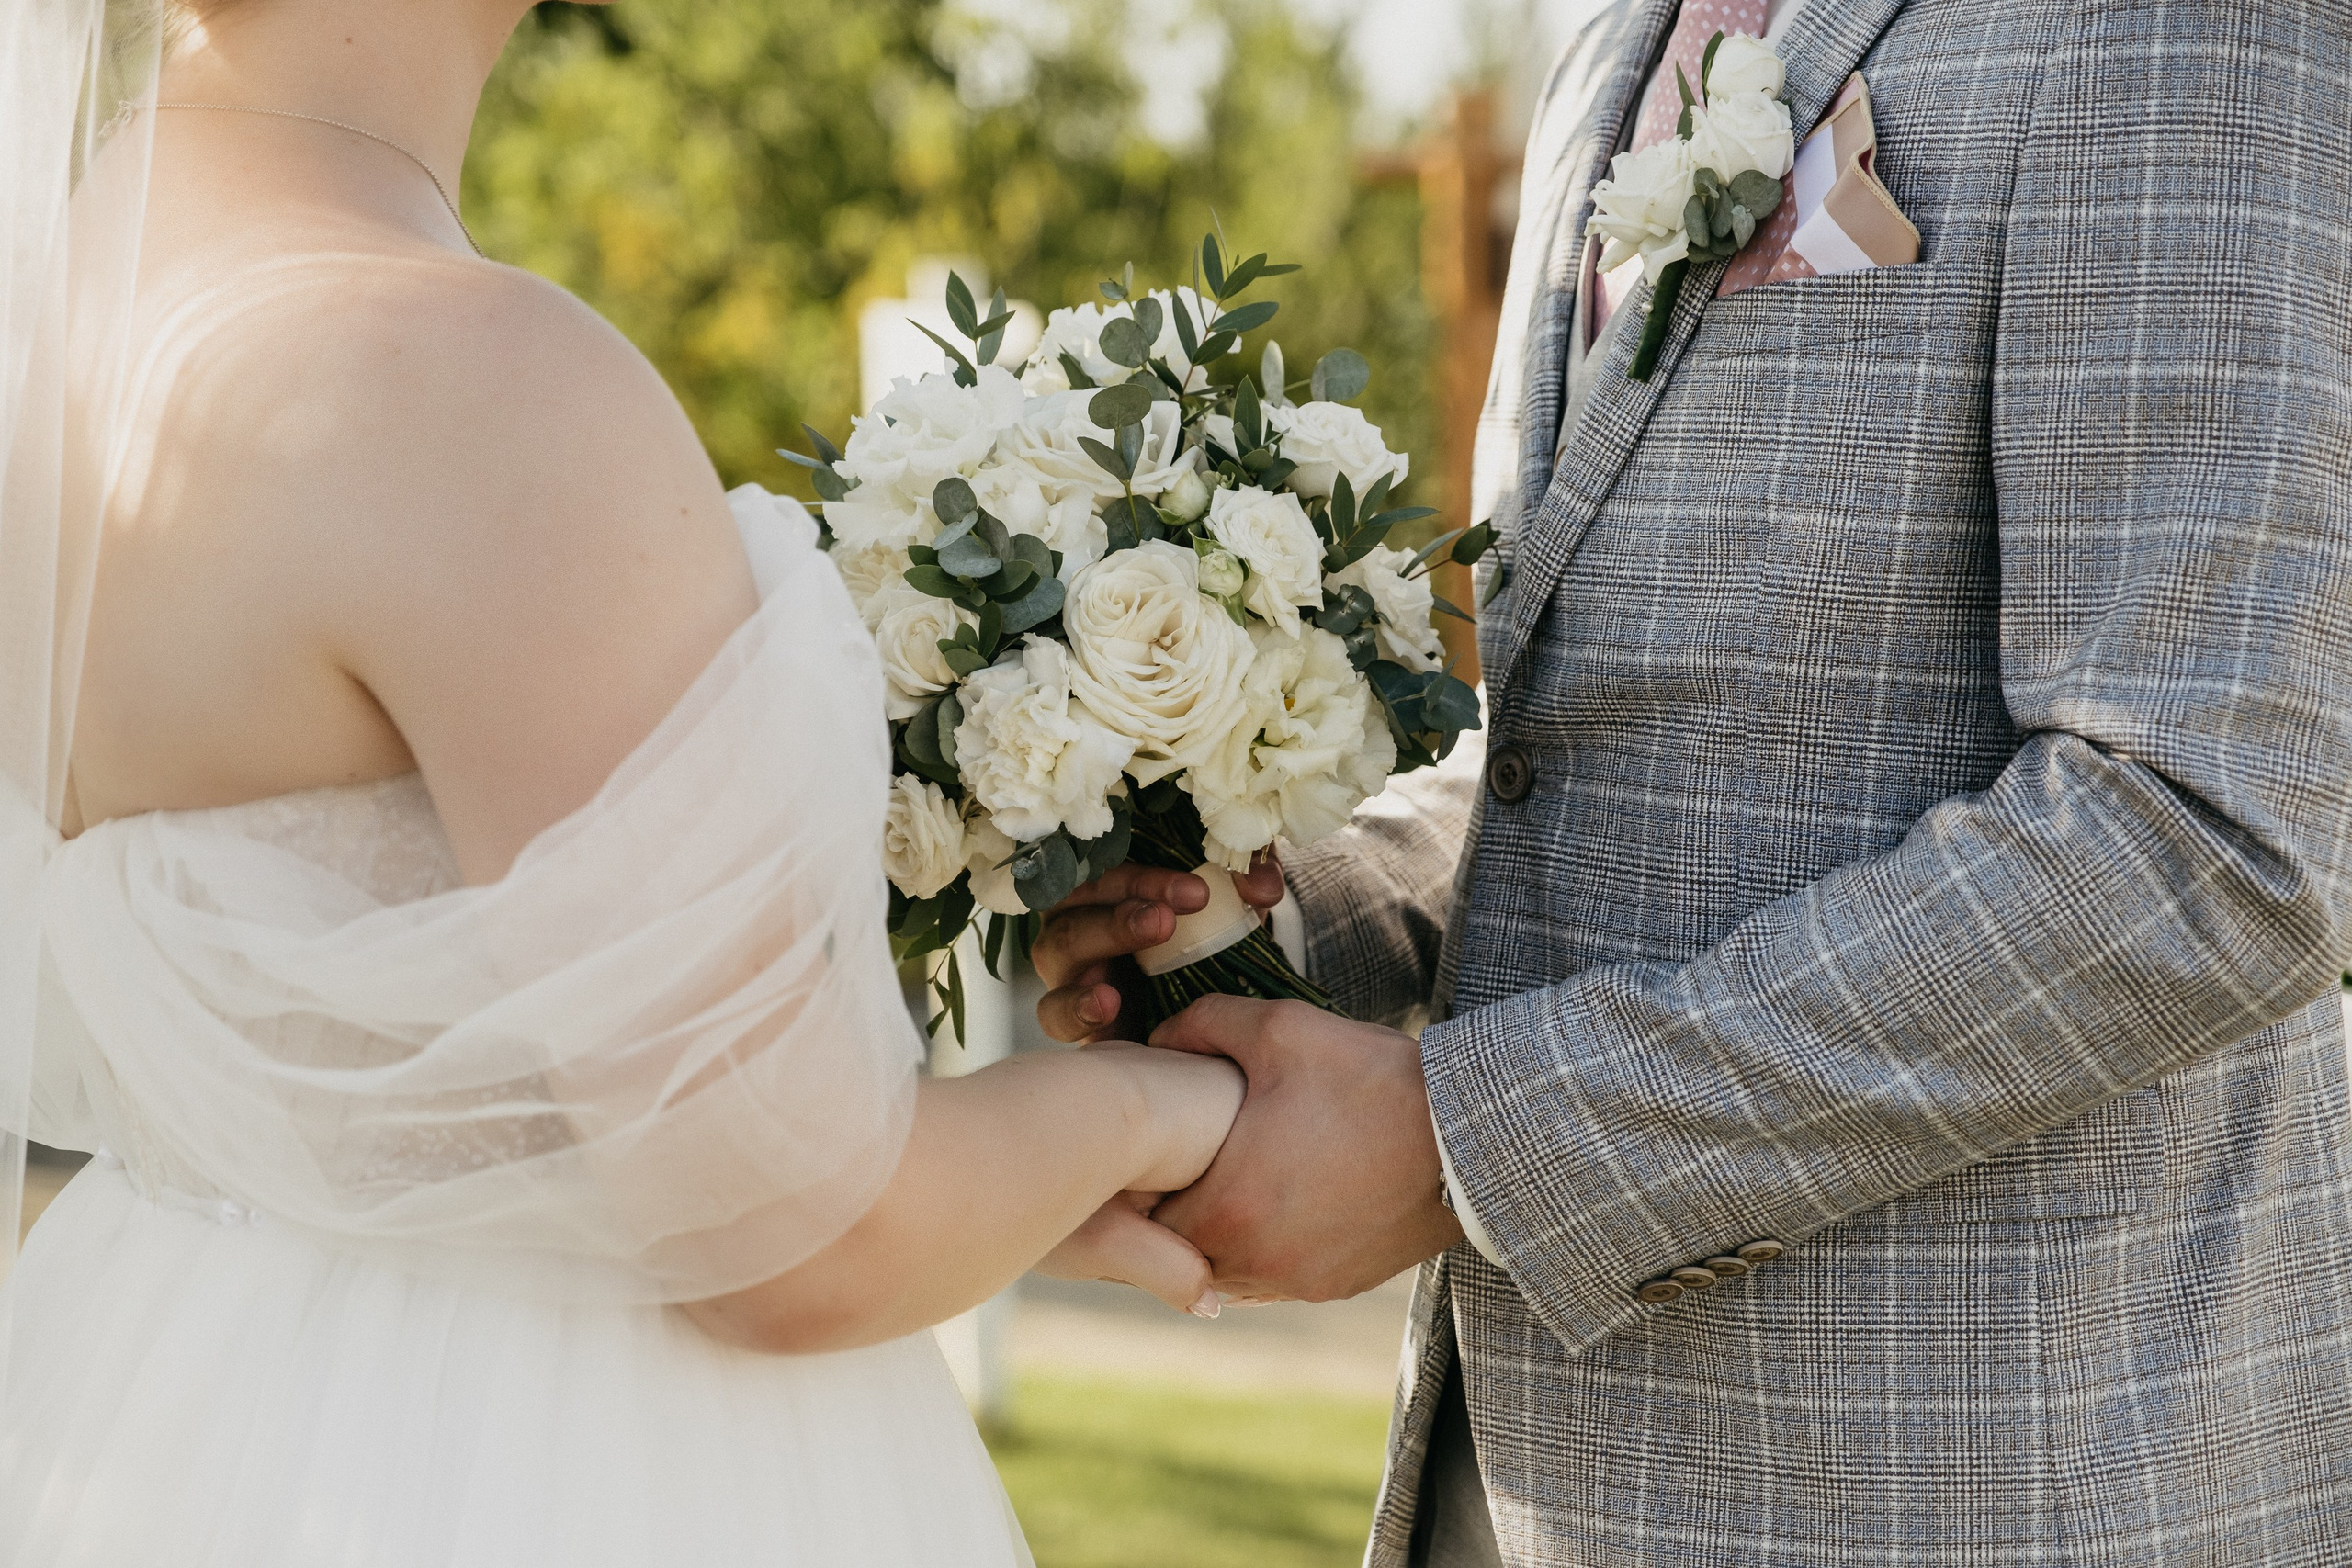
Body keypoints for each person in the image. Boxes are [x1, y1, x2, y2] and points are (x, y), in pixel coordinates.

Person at [1037, 0, 2352, 1562]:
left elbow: (2206, 833)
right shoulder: (1603, 49)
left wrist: (1469, 1149)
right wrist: (1266, 920)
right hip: (1521, 1481)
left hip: (1972, 1488)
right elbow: (1567, 746)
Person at [0, 0, 1245, 1561]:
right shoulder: (461, 380)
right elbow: (799, 1251)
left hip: (169, 1390)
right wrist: (1153, 1103)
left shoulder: (65, 309)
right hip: (534, 1470)